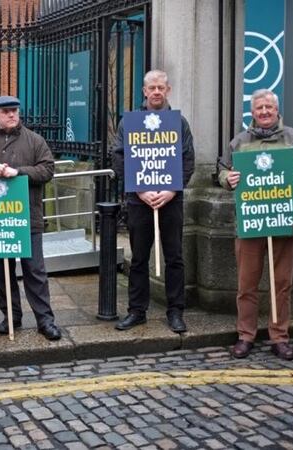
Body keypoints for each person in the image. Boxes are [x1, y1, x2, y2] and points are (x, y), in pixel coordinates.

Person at [218, 89, 293, 360]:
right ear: (253, 113)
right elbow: (221, 170)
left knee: (282, 284)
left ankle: (279, 337)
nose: (264, 112)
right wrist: (227, 178)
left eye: (269, 108)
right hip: (250, 223)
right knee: (246, 284)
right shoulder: (239, 141)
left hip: (285, 222)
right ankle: (245, 335)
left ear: (277, 110)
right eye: (259, 108)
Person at [0, 95, 62, 341]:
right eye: (6, 111)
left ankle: (45, 320)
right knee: (2, 272)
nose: (11, 115)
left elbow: (47, 169)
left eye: (15, 111)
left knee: (35, 271)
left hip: (27, 217)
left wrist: (18, 172)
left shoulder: (34, 140)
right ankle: (11, 316)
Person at [111, 70, 195, 333]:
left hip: (171, 200)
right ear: (144, 92)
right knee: (138, 258)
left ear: (168, 90)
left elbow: (188, 160)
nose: (157, 92)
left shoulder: (178, 123)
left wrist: (171, 190)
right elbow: (118, 156)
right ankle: (137, 311)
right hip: (139, 201)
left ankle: (175, 311)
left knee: (175, 257)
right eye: (152, 88)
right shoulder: (130, 122)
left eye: (161, 87)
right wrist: (138, 190)